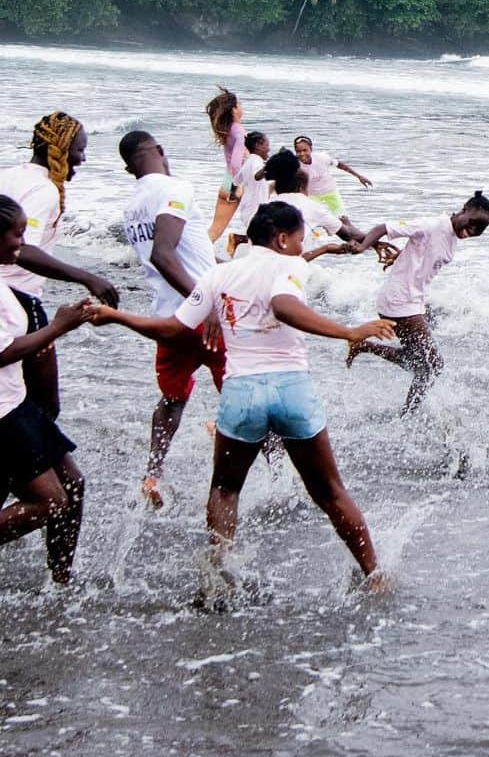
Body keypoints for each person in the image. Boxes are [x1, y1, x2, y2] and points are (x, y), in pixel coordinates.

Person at [91, 200, 395, 588]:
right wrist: (349, 331)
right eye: (300, 240)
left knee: (224, 488)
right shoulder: (290, 265)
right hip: (291, 390)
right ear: (282, 239)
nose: (302, 248)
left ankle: (218, 576)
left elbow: (172, 328)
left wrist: (117, 317)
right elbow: (283, 306)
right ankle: (374, 575)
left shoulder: (219, 274)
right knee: (331, 492)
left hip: (241, 394)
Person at [118, 130, 221, 508]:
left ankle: (153, 474)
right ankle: (276, 477)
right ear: (160, 151)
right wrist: (205, 301)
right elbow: (164, 254)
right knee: (248, 389)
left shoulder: (131, 206)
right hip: (201, 315)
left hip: (166, 316)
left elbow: (184, 253)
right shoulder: (176, 187)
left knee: (172, 399)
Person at [0, 111, 119, 419]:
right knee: (45, 405)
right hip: (19, 301)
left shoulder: (10, 174)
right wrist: (85, 276)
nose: (82, 158)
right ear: (62, 149)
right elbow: (24, 250)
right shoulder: (44, 190)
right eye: (80, 149)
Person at [0, 197, 93, 584]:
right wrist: (58, 327)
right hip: (3, 414)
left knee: (73, 485)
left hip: (16, 404)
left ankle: (60, 580)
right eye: (17, 233)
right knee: (50, 501)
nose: (23, 242)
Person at [346, 192, 489, 414]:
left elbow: (421, 256)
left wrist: (401, 259)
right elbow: (383, 228)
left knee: (417, 362)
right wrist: (361, 247)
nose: (471, 231)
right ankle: (407, 416)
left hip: (413, 300)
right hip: (398, 300)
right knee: (433, 365)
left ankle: (362, 346)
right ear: (465, 209)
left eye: (479, 230)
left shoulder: (451, 236)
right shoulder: (432, 225)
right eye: (472, 223)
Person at [262, 150, 368, 250]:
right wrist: (375, 238)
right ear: (301, 184)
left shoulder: (264, 207)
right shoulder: (312, 207)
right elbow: (349, 235)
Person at [293, 136, 372, 217]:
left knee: (343, 218)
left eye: (305, 150)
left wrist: (359, 176)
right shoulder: (295, 165)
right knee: (309, 219)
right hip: (312, 195)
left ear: (311, 149)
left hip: (330, 192)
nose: (302, 154)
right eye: (298, 151)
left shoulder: (322, 157)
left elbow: (340, 165)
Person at [206, 88, 246, 243]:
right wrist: (238, 186)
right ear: (233, 110)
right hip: (236, 184)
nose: (241, 108)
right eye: (239, 105)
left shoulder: (227, 130)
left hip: (226, 182)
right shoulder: (239, 131)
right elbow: (237, 163)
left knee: (214, 230)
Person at [226, 131, 272, 257]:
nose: (269, 148)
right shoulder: (256, 161)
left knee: (262, 238)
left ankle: (238, 239)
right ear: (258, 145)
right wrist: (269, 165)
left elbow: (235, 181)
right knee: (260, 243)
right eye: (267, 145)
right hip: (254, 209)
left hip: (250, 208)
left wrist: (232, 196)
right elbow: (257, 176)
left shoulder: (249, 162)